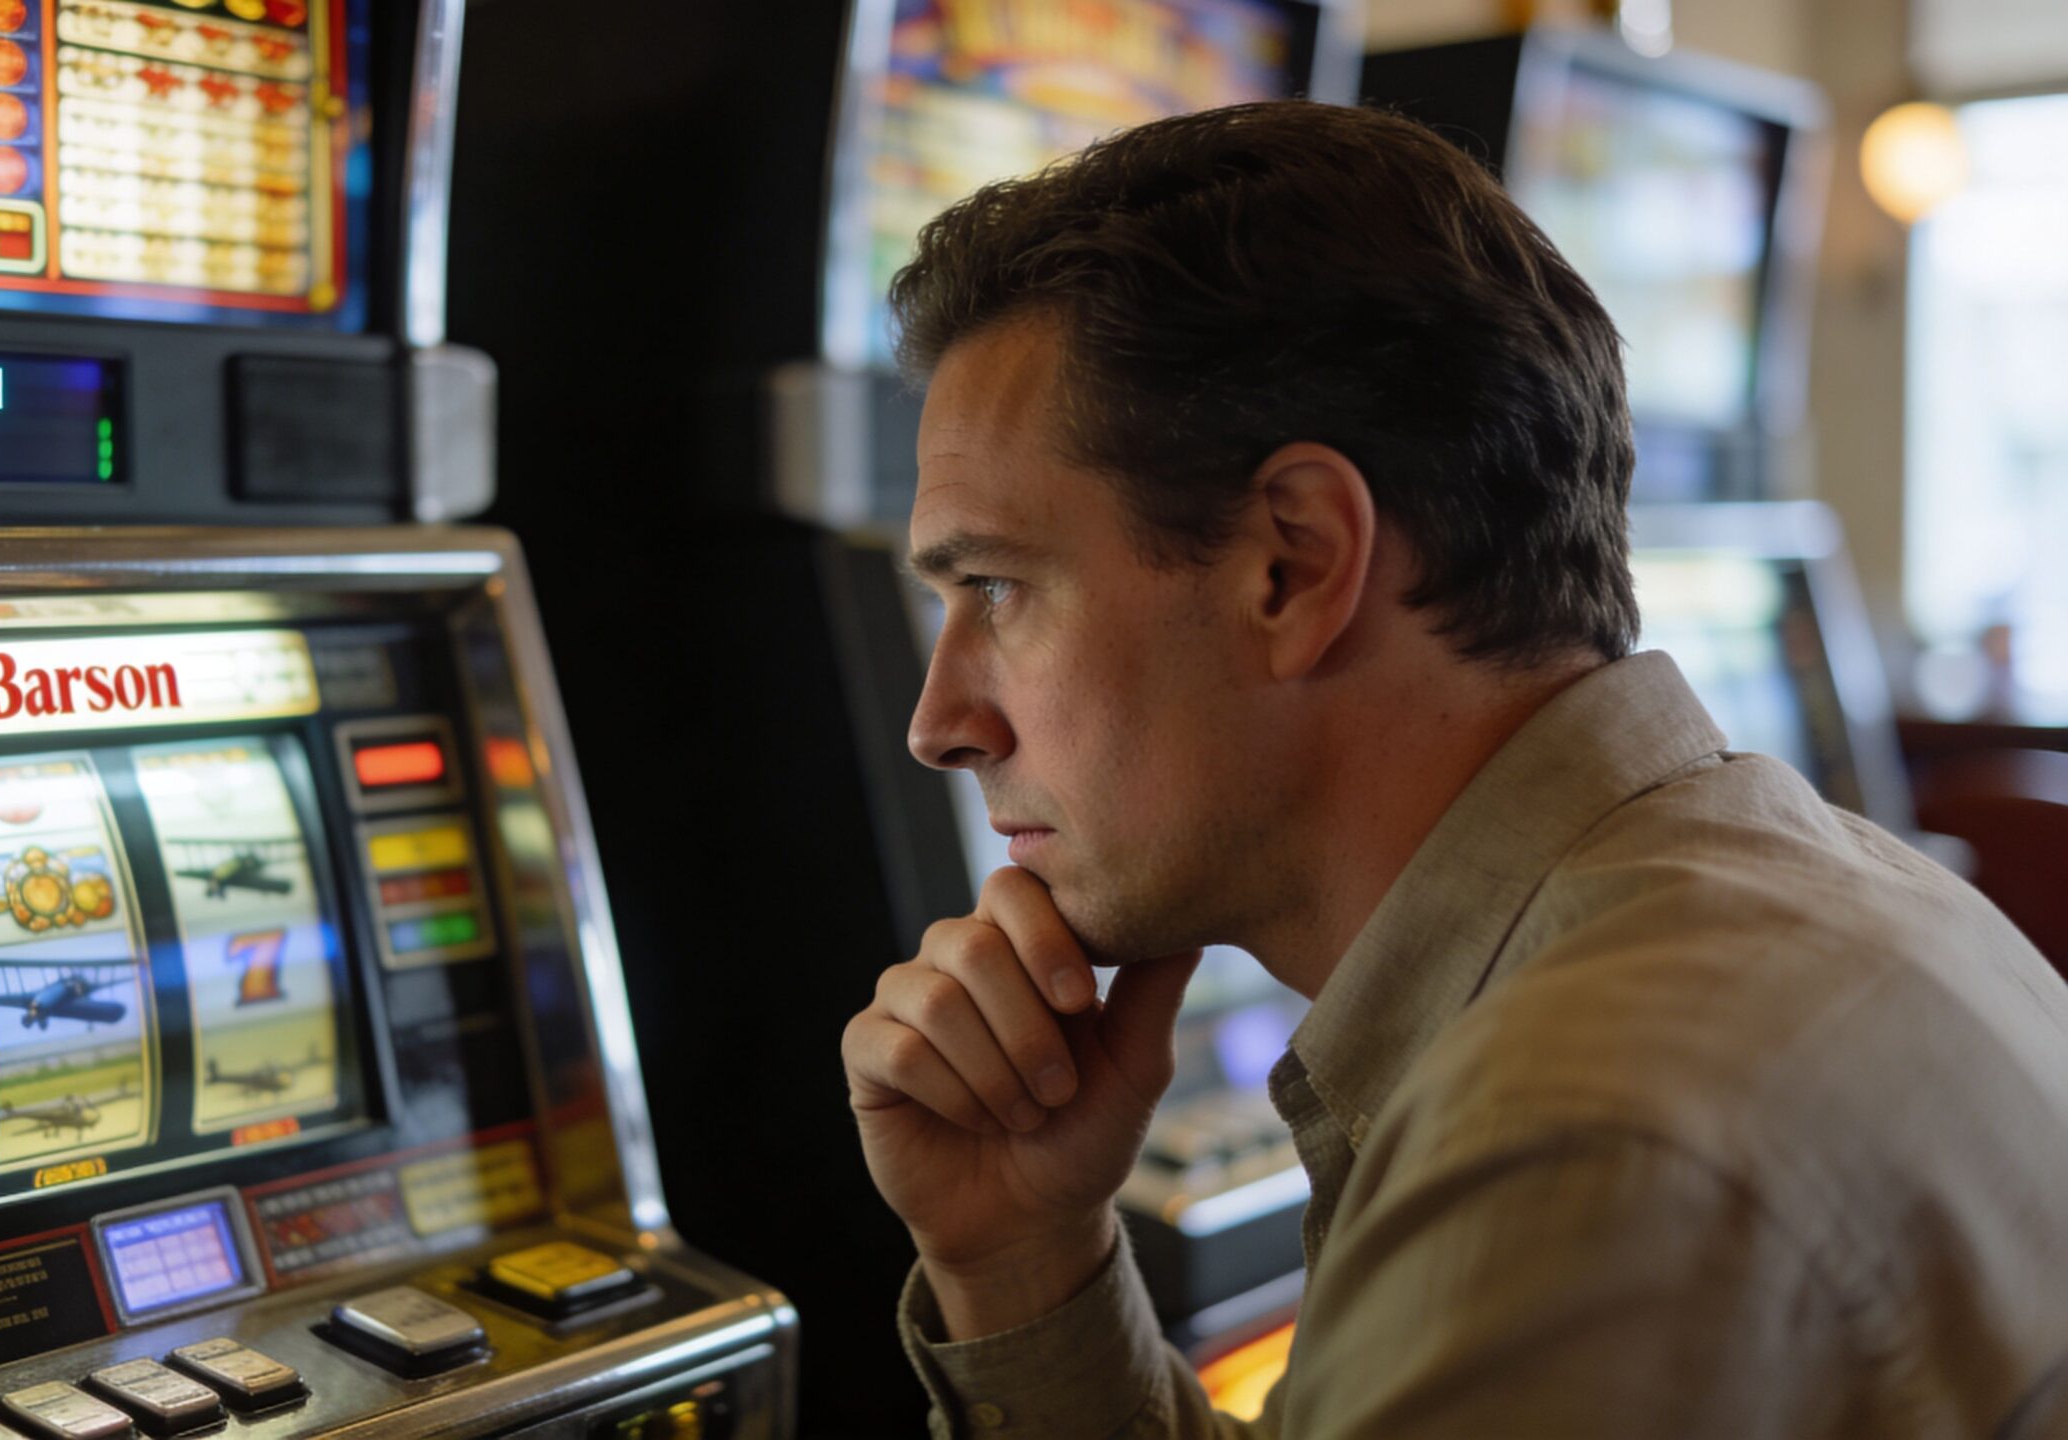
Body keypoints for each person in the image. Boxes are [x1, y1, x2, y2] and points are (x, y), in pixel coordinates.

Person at [840, 100, 2068, 1439]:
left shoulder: (1578, 1143)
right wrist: (1022, 1258)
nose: (939, 720)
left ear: (1294, 564)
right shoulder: (1824, 882)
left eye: (1000, 589)